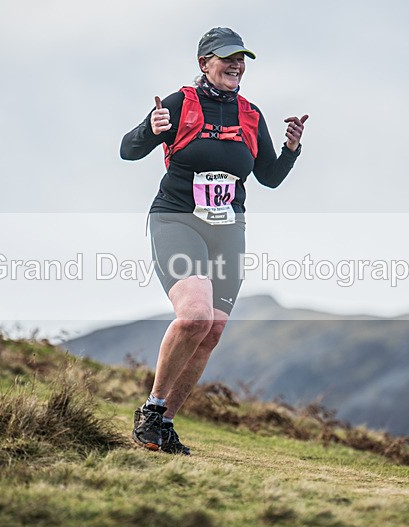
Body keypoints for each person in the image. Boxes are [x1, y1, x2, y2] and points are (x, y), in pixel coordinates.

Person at [120, 27, 308, 454]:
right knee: (194, 316)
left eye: (241, 58)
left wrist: (291, 149)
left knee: (212, 331)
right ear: (204, 63)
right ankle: (150, 410)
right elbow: (127, 151)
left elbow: (270, 178)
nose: (236, 65)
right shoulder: (179, 103)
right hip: (177, 221)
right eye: (226, 57)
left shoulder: (250, 114)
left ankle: (163, 426)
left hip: (228, 230)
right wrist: (151, 130)